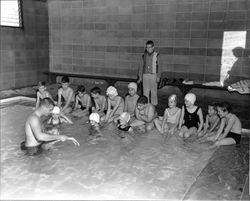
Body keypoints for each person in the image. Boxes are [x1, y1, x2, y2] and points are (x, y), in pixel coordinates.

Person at [137, 40, 161, 106]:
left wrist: (158, 76)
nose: (148, 49)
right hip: (145, 75)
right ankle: (146, 105)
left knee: (154, 91)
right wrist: (140, 77)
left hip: (153, 75)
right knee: (145, 91)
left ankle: (154, 105)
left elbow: (160, 66)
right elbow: (141, 67)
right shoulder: (143, 55)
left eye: (150, 47)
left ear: (153, 47)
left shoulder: (157, 55)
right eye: (147, 47)